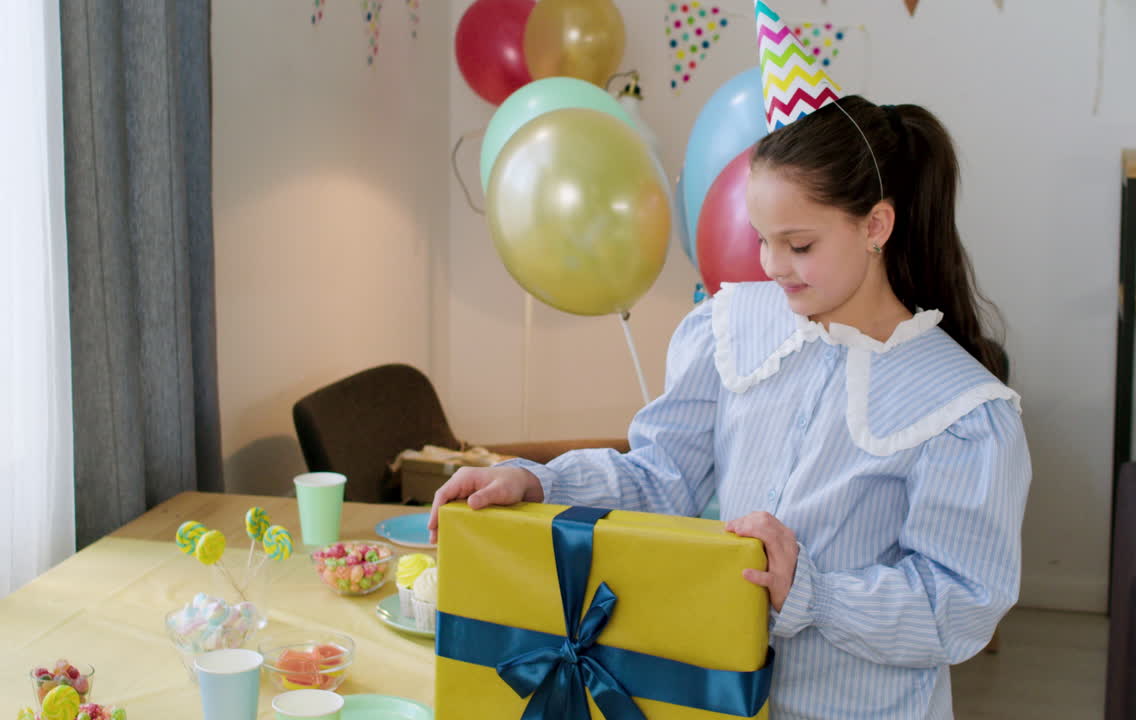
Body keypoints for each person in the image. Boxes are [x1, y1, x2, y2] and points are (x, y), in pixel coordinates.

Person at [429, 4, 1031, 718]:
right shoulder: (732, 328)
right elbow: (662, 478)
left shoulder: (962, 412)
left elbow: (954, 611)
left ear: (877, 224)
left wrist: (808, 588)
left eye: (799, 244)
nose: (772, 265)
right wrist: (537, 480)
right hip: (705, 697)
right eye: (763, 237)